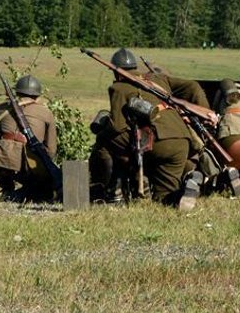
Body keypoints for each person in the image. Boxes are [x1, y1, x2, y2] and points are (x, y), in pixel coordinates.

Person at [90, 48, 212, 210]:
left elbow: (117, 126)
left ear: (115, 71)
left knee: (104, 139)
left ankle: (110, 192)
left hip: (157, 140)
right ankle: (183, 193)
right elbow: (193, 86)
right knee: (163, 198)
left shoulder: (119, 87)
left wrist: (103, 131)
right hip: (181, 140)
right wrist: (206, 113)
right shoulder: (157, 78)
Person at [0, 74, 57, 202]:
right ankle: (18, 193)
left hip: (2, 160)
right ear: (38, 95)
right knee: (46, 189)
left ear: (17, 92)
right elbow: (51, 149)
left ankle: (8, 190)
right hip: (30, 164)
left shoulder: (3, 108)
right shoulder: (46, 113)